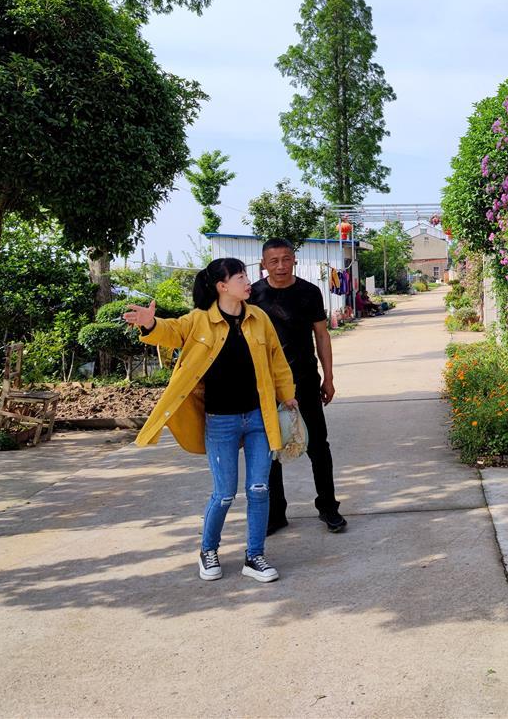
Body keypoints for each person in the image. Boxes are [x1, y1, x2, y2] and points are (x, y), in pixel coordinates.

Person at [123, 258, 297, 583]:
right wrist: (150, 324)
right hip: (220, 421)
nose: (248, 281)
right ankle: (208, 549)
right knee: (224, 493)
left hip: (259, 417)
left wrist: (288, 395)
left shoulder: (258, 318)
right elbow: (171, 331)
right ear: (222, 286)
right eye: (241, 276)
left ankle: (255, 556)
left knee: (259, 488)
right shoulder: (199, 320)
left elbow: (277, 359)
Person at [250, 238, 347, 534]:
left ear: (294, 260)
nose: (280, 266)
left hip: (304, 380)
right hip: (266, 385)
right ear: (263, 264)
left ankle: (328, 507)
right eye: (274, 261)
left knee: (318, 445)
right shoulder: (253, 295)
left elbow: (322, 335)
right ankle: (275, 513)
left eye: (286, 259)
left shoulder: (309, 292)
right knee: (270, 449)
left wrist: (328, 377)